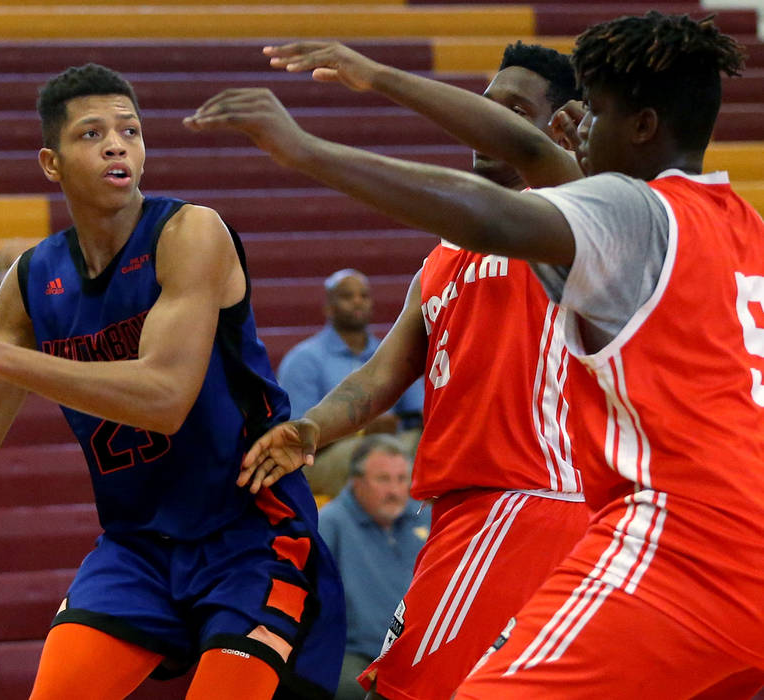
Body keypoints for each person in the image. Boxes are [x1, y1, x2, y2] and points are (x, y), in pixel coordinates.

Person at [186, 12, 764, 697]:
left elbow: (495, 195)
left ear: (625, 123)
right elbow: (388, 370)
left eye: (593, 115)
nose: (581, 130)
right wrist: (313, 426)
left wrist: (310, 146)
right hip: (626, 527)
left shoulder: (607, 212)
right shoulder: (739, 231)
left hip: (549, 508)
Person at [0, 63, 344, 699]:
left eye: (130, 130)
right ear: (51, 162)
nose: (117, 144)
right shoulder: (30, 280)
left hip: (250, 532)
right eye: (92, 134)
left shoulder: (190, 232)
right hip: (139, 546)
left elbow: (165, 398)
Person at [188, 40, 592, 700]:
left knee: (402, 689)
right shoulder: (442, 256)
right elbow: (379, 377)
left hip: (527, 501)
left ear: (558, 124)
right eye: (481, 105)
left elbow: (544, 175)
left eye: (511, 110)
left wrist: (361, 89)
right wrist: (311, 428)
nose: (481, 121)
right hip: (468, 509)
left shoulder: (574, 214)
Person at [278, 268, 424, 498]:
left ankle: (418, 526)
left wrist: (397, 426)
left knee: (425, 446)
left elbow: (419, 416)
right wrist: (361, 432)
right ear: (328, 307)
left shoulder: (388, 352)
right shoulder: (303, 359)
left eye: (364, 296)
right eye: (347, 296)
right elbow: (296, 437)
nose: (357, 301)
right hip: (326, 457)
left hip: (393, 444)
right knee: (368, 453)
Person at [317, 435, 430, 700]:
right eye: (383, 479)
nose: (394, 490)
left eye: (401, 479)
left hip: (419, 652)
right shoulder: (330, 523)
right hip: (355, 653)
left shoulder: (424, 517)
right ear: (355, 482)